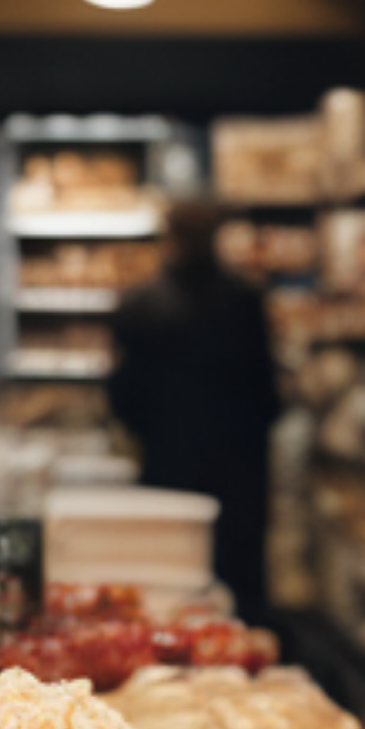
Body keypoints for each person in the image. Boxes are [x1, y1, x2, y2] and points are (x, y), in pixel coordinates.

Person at [108, 195, 281, 620]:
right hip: (239, 473)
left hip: (168, 467)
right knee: (238, 591)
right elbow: (268, 393)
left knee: (167, 590)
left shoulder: (139, 305)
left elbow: (123, 396)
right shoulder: (245, 302)